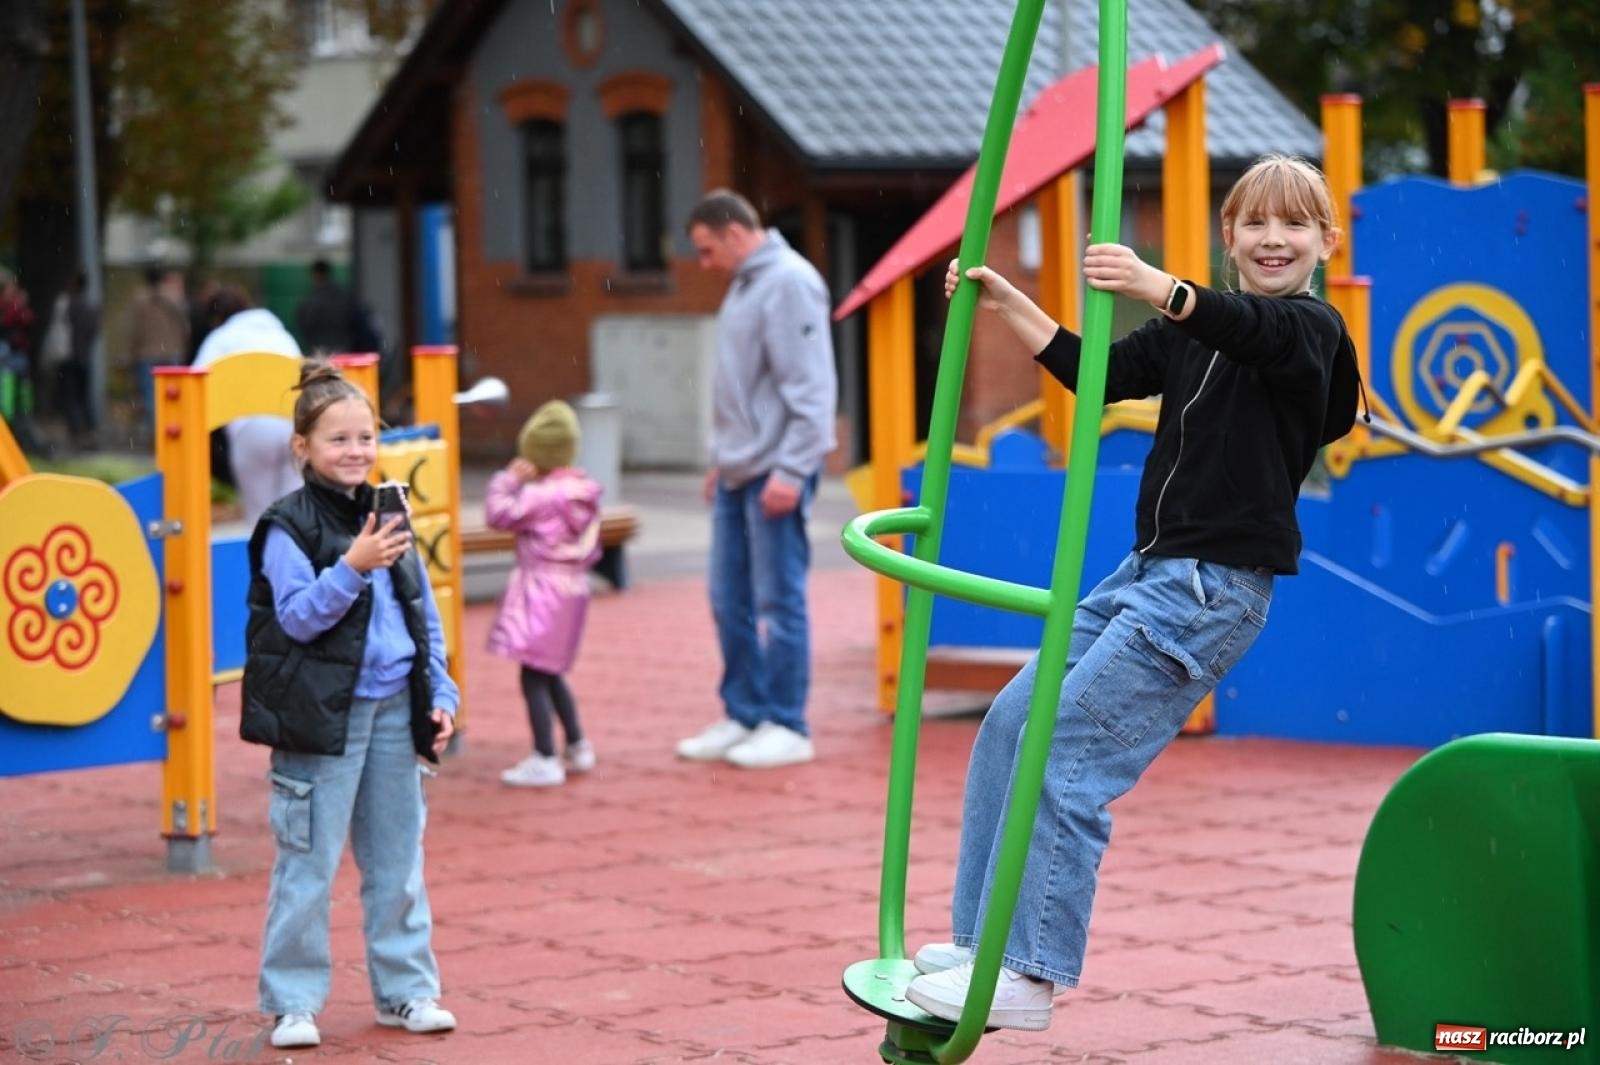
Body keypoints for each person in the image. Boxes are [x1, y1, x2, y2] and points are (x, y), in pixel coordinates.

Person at [903, 155, 1363, 1030]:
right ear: (1230, 236)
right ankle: (981, 939)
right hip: (1147, 572)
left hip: (1210, 589)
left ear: (1323, 244)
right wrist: (1008, 303)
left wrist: (1161, 285)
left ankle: (1029, 974)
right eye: (1256, 223)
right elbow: (1099, 375)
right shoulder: (1198, 333)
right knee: (1012, 721)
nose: (1274, 239)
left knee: (1068, 752)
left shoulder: (1313, 330)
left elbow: (1251, 331)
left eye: (1294, 225)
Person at [241, 359, 459, 1049]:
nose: (356, 450)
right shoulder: (288, 525)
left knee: (398, 859)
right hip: (319, 716)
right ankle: (293, 1001)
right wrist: (352, 565)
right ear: (301, 446)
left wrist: (441, 691)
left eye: (366, 436)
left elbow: (421, 611)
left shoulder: (387, 508)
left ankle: (405, 989)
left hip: (395, 706)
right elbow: (298, 618)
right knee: (307, 863)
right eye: (338, 439)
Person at [676, 189, 838, 770]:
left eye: (705, 249)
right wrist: (724, 461)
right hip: (744, 468)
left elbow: (812, 388)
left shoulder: (789, 283)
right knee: (730, 597)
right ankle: (744, 712)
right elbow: (747, 385)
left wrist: (793, 468)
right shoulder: (747, 285)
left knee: (777, 598)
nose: (704, 264)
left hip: (776, 468)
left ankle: (787, 722)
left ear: (734, 233)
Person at [485, 399, 603, 787]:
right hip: (572, 589)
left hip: (540, 589)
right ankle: (577, 743)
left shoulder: (541, 496)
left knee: (533, 674)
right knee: (552, 671)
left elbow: (499, 514)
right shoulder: (584, 493)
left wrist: (508, 480)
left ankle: (545, 755)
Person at [191, 285, 303, 526]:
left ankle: (262, 561)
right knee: (293, 514)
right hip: (294, 425)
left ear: (217, 317)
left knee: (260, 517)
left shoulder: (221, 338)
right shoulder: (280, 335)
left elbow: (194, 382)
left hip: (250, 427)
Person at [125, 265, 189, 433]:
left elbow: (135, 330)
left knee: (150, 396)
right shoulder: (174, 297)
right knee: (174, 395)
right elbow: (184, 325)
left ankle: (158, 433)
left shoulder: (140, 300)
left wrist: (132, 352)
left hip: (147, 353)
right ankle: (175, 430)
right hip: (172, 352)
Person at [296, 259, 360, 355]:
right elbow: (356, 320)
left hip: (321, 351)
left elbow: (304, 323)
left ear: (315, 274)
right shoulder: (345, 295)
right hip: (344, 349)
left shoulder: (312, 299)